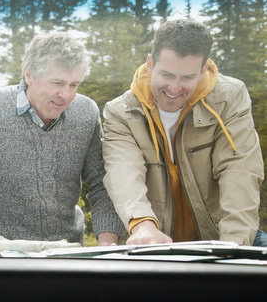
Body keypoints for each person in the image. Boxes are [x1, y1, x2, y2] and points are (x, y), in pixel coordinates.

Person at [0, 30, 124, 249]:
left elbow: (103, 184)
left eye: (74, 85)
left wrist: (107, 243)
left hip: (69, 258)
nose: (67, 95)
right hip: (3, 260)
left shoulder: (87, 112)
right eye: (57, 83)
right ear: (29, 75)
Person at [102, 19, 265, 247]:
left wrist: (233, 246)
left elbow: (239, 171)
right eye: (167, 75)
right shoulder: (121, 112)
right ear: (150, 64)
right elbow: (123, 173)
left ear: (203, 70)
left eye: (187, 78)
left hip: (224, 234)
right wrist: (142, 226)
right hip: (157, 239)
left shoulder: (230, 98)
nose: (175, 88)